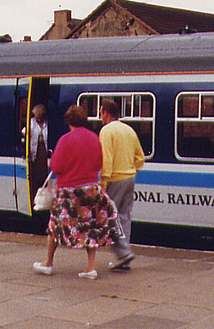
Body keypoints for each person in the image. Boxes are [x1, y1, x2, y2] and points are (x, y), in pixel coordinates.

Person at [33, 105, 119, 280]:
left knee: (55, 226)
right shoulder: (94, 138)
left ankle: (48, 263)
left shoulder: (65, 140)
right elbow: (99, 164)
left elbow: (56, 167)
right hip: (90, 189)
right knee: (91, 227)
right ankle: (90, 268)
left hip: (69, 192)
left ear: (68, 121)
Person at [99, 100, 146, 270]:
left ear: (106, 113)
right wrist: (131, 170)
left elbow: (107, 159)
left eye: (101, 113)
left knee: (109, 216)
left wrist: (103, 182)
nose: (100, 117)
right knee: (124, 216)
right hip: (129, 177)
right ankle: (124, 256)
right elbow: (140, 157)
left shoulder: (106, 131)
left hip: (114, 178)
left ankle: (124, 252)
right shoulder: (129, 130)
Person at [27, 104, 50, 204]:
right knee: (35, 177)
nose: (39, 118)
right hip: (35, 153)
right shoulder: (31, 123)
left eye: (40, 116)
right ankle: (35, 200)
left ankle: (43, 200)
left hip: (44, 153)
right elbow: (25, 133)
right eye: (37, 116)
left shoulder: (47, 123)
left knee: (44, 177)